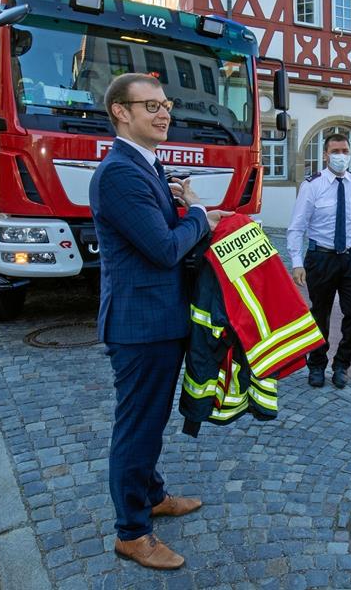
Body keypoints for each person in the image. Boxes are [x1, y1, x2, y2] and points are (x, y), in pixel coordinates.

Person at [89, 72, 232, 570]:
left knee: (149, 424)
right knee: (137, 428)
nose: (163, 112)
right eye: (149, 105)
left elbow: (163, 231)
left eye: (165, 104)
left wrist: (179, 204)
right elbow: (165, 248)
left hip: (160, 320)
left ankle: (151, 494)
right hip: (140, 325)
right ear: (120, 113)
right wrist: (198, 213)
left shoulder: (146, 166)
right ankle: (132, 531)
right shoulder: (120, 173)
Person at [287, 133, 351, 389]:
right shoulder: (312, 186)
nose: (341, 156)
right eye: (336, 151)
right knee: (320, 314)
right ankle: (317, 364)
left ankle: (342, 364)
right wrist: (297, 262)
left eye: (345, 151)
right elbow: (297, 227)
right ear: (325, 155)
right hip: (321, 258)